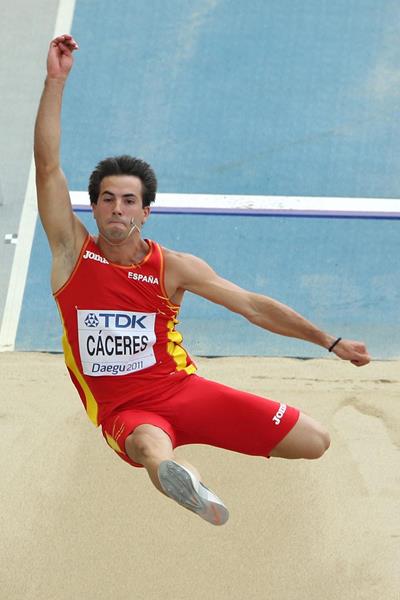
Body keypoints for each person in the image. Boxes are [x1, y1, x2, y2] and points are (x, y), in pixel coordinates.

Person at [34, 34, 370, 526]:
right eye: (107, 198)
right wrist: (55, 81)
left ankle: (182, 470)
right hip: (123, 411)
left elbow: (251, 306)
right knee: (151, 447)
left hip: (183, 391)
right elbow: (47, 167)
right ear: (94, 207)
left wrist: (328, 339)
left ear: (146, 212)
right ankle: (187, 483)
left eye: (128, 200)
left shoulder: (174, 268)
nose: (117, 208)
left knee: (315, 441)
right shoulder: (71, 253)